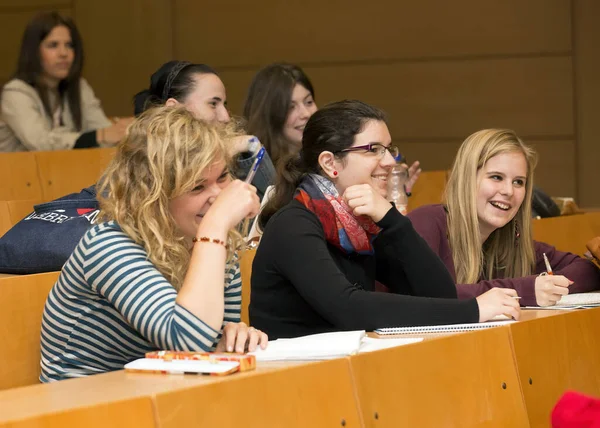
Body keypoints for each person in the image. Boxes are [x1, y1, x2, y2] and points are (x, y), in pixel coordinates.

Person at [249, 100, 520, 340]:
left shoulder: (359, 224)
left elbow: (440, 293)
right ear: (330, 162)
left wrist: (392, 219)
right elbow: (349, 307)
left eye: (389, 149)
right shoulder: (294, 223)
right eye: (374, 149)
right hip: (291, 382)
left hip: (341, 373)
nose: (390, 161)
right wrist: (473, 309)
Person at [40, 106, 268, 382]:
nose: (218, 196)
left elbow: (206, 351)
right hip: (79, 407)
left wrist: (232, 339)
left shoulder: (217, 243)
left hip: (156, 395)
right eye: (197, 187)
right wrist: (215, 227)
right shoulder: (107, 245)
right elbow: (188, 338)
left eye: (222, 177)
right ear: (154, 195)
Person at [407, 129, 600, 307]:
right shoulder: (426, 223)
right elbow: (422, 297)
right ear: (467, 179)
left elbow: (587, 270)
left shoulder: (511, 240)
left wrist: (549, 287)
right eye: (496, 177)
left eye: (518, 182)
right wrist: (523, 291)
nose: (508, 191)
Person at [243, 62, 421, 194]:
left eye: (308, 102)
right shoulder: (255, 169)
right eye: (291, 107)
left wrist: (392, 189)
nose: (305, 113)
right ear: (269, 114)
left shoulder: (333, 153)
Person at [134, 60, 275, 199]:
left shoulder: (235, 156)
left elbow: (272, 210)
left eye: (224, 104)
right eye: (213, 104)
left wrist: (251, 149)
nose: (225, 117)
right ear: (174, 109)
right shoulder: (139, 170)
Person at [0, 11, 131, 152]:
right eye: (53, 45)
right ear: (34, 51)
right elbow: (40, 143)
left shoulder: (79, 87)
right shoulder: (15, 93)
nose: (64, 53)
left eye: (69, 45)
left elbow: (103, 130)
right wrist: (99, 136)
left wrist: (125, 131)